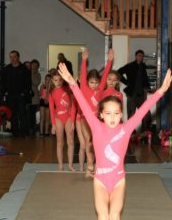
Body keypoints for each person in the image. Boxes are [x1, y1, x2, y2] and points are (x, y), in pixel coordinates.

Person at [58, 62, 172, 220]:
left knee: (114, 218)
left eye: (116, 114)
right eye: (108, 114)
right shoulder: (96, 126)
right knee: (103, 219)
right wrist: (72, 83)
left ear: (121, 115)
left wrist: (160, 91)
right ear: (101, 115)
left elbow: (144, 109)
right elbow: (83, 105)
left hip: (118, 180)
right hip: (101, 181)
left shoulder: (125, 128)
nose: (112, 118)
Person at [78, 48, 114, 177]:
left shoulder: (100, 88)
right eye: (91, 82)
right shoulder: (83, 88)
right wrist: (84, 60)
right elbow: (83, 74)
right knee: (89, 141)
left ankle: (97, 167)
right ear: (87, 82)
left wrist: (110, 61)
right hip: (85, 119)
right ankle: (89, 167)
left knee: (97, 142)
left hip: (97, 119)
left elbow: (104, 75)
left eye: (96, 82)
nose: (94, 85)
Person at [49, 68, 76, 171]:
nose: (58, 82)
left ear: (63, 79)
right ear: (52, 80)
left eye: (60, 80)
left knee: (71, 141)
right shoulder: (52, 93)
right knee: (60, 142)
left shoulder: (68, 89)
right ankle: (60, 165)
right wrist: (53, 124)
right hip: (58, 118)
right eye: (55, 80)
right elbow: (52, 109)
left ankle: (70, 165)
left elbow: (73, 106)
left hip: (68, 117)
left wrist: (73, 121)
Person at [0, 50, 31, 136]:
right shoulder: (6, 69)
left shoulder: (24, 69)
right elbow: (3, 83)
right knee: (11, 114)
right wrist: (4, 94)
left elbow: (28, 83)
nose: (12, 59)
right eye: (11, 57)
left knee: (22, 114)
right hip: (10, 96)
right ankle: (14, 131)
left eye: (14, 57)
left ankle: (24, 132)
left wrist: (24, 93)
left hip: (21, 96)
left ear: (18, 57)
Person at [118, 50, 149, 130]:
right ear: (136, 56)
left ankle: (143, 133)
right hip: (131, 94)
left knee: (144, 113)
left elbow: (145, 80)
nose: (140, 57)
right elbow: (118, 72)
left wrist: (147, 89)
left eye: (142, 56)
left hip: (141, 94)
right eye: (139, 55)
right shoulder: (130, 66)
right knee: (131, 114)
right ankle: (131, 133)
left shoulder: (143, 67)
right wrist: (126, 82)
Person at [28, 59, 41, 135]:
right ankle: (28, 128)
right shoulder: (26, 73)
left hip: (34, 97)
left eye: (36, 66)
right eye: (33, 65)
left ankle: (33, 129)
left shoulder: (38, 75)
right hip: (27, 97)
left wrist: (32, 74)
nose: (34, 67)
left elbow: (36, 83)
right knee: (27, 113)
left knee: (33, 114)